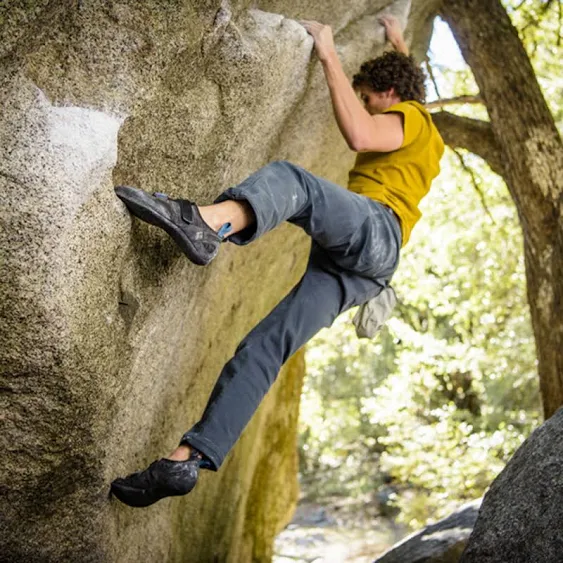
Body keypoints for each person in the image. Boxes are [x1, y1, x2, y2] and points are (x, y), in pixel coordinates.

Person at [110, 15, 444, 508]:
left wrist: (328, 51)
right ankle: (188, 460)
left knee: (296, 183)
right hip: (363, 271)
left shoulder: (411, 117)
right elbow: (407, 79)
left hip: (377, 231)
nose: (367, 104)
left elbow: (360, 134)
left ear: (390, 93)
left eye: (371, 96)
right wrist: (397, 38)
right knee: (265, 347)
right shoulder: (425, 127)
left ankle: (207, 224)